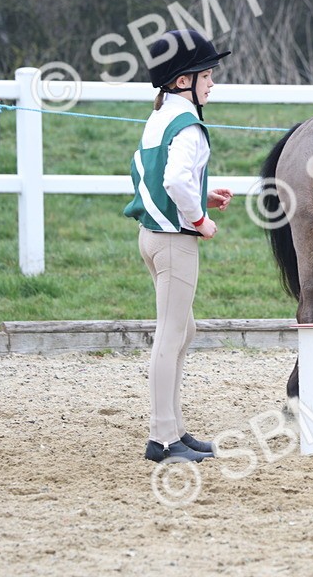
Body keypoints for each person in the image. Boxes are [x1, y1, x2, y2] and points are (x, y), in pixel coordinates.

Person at [124, 29, 233, 463]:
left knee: (184, 330)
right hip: (174, 242)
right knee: (170, 337)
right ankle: (162, 439)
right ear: (184, 80)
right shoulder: (189, 124)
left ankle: (175, 429)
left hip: (151, 236)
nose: (211, 84)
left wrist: (201, 193)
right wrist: (200, 219)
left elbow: (158, 176)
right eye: (206, 75)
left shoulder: (159, 118)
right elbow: (172, 180)